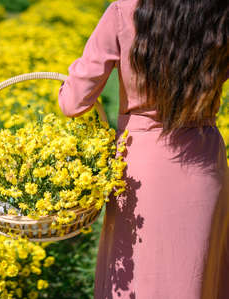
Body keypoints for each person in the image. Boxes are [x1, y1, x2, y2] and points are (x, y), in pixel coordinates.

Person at [58, 0, 229, 298]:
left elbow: (73, 103)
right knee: (197, 275)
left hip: (142, 166)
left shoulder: (124, 11)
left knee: (137, 280)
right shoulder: (220, 11)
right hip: (204, 160)